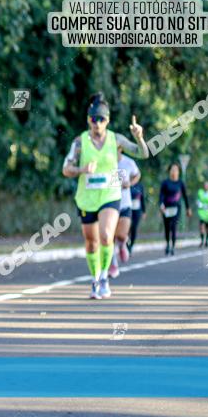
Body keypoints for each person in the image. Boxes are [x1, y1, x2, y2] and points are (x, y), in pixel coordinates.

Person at [62, 93, 149, 299]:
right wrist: (82, 169)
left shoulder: (116, 139)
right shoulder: (80, 142)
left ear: (107, 121)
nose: (97, 123)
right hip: (87, 197)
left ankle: (103, 277)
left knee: (106, 235)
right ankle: (94, 279)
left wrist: (139, 136)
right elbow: (66, 169)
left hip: (110, 194)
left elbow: (143, 153)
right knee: (91, 242)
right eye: (93, 119)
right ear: (88, 120)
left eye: (101, 119)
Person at [109, 148, 141, 278]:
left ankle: (122, 244)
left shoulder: (129, 162)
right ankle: (113, 264)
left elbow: (137, 174)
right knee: (109, 237)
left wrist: (130, 183)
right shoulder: (105, 162)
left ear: (120, 148)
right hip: (109, 204)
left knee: (121, 235)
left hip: (125, 204)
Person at [159, 164, 192, 255]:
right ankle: (167, 244)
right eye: (172, 170)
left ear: (178, 172)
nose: (174, 171)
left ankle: (173, 246)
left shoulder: (180, 183)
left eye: (176, 170)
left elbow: (185, 196)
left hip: (176, 208)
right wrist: (161, 205)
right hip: (166, 208)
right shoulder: (165, 182)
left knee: (173, 226)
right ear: (169, 171)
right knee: (167, 227)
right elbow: (161, 195)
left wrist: (188, 208)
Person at [127, 181, 146, 254]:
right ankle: (126, 244)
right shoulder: (126, 183)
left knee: (134, 228)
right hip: (128, 209)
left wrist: (144, 211)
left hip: (137, 210)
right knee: (127, 228)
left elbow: (142, 198)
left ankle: (131, 246)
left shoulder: (140, 185)